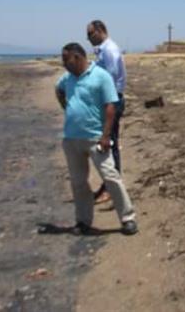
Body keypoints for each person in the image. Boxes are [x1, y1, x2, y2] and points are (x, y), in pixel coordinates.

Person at [55, 43, 138, 236]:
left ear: (77, 57)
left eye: (66, 58)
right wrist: (66, 107)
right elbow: (58, 90)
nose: (63, 63)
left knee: (111, 177)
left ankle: (128, 218)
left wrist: (106, 135)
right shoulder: (66, 79)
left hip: (95, 137)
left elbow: (110, 106)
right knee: (78, 183)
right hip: (71, 138)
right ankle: (83, 221)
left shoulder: (101, 76)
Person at [86, 20, 127, 203]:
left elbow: (109, 80)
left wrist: (105, 104)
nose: (89, 39)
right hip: (108, 100)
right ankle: (109, 185)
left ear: (101, 30)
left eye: (91, 34)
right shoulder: (102, 50)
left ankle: (112, 188)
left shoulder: (109, 50)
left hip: (111, 102)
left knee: (109, 143)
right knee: (108, 143)